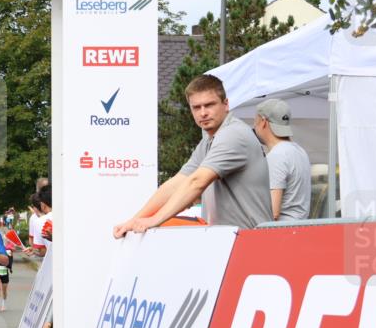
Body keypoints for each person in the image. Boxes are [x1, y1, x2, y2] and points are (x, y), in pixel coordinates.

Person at [114, 74, 272, 237]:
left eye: (209, 105)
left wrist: (154, 220)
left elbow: (197, 182)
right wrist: (135, 220)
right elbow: (177, 183)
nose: (203, 113)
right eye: (196, 107)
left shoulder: (233, 134)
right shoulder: (209, 140)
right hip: (230, 239)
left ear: (226, 104)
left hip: (251, 240)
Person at [254, 98, 312, 221]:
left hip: (283, 230)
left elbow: (273, 212)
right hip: (300, 227)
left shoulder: (277, 156)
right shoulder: (300, 151)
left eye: (255, 121)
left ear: (263, 122)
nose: (254, 126)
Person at [0, 247, 13, 312]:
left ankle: (3, 305)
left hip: (5, 275)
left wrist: (10, 256)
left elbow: (10, 265)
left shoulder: (8, 254)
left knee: (4, 291)